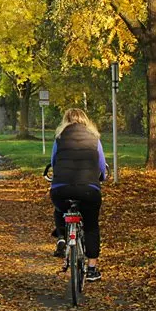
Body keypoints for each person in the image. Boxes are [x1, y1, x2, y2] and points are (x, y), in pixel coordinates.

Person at [47, 107, 106, 282]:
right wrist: (102, 177)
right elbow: (101, 165)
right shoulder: (95, 139)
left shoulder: (59, 138)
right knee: (91, 226)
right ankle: (92, 269)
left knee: (59, 209)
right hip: (88, 189)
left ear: (65, 121)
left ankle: (61, 237)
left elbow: (53, 161)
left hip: (61, 188)